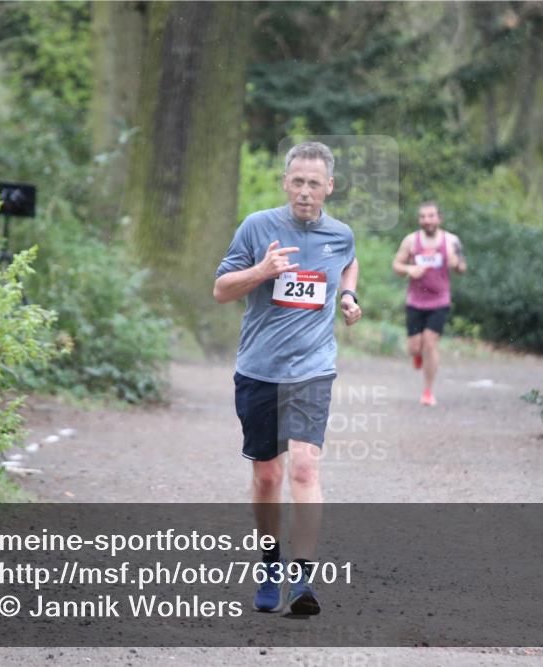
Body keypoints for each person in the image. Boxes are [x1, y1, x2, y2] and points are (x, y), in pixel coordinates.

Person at [214, 141, 362, 615]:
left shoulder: (340, 234)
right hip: (259, 369)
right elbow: (221, 289)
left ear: (329, 187)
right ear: (285, 182)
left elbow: (349, 260)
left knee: (303, 467)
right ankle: (270, 563)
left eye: (313, 183)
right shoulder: (257, 227)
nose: (304, 191)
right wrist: (262, 270)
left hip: (313, 369)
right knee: (266, 475)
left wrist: (349, 297)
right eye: (297, 181)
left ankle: (302, 580)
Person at [391, 201, 466, 406]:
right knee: (414, 347)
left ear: (439, 218)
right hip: (415, 301)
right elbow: (396, 265)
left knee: (430, 344)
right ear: (419, 220)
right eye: (423, 216)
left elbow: (462, 268)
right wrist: (409, 269)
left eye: (431, 216)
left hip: (439, 301)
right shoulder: (411, 241)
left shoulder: (452, 241)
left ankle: (428, 392)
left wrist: (456, 263)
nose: (427, 220)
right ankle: (417, 355)